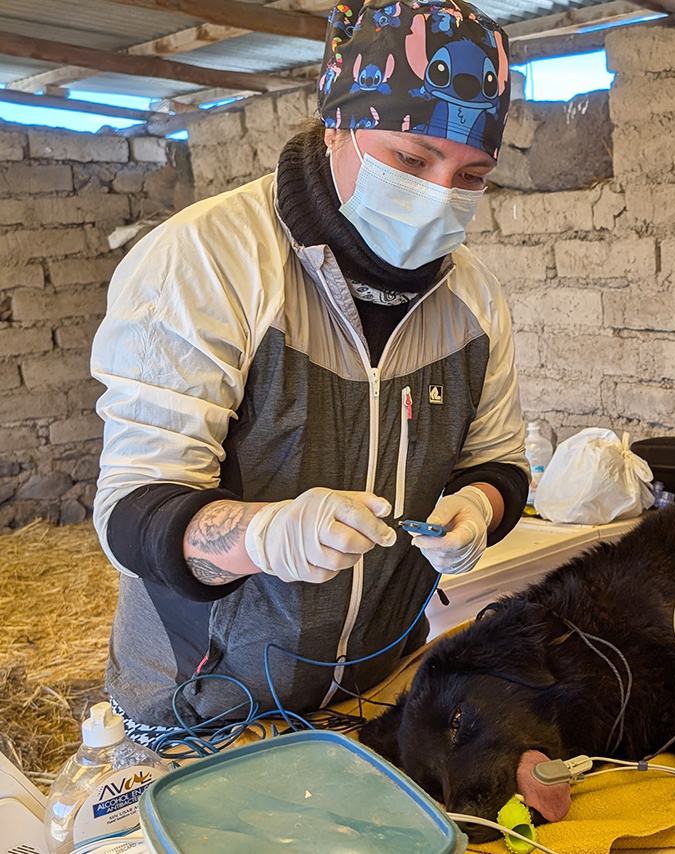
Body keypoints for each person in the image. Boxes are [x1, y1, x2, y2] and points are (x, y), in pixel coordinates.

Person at [90, 0, 529, 734]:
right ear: (337, 126)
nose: (440, 195)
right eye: (412, 160)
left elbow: (500, 463)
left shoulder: (473, 301)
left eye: (472, 174)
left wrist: (480, 507)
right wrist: (264, 536)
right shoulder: (207, 263)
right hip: (208, 707)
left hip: (381, 688)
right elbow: (133, 514)